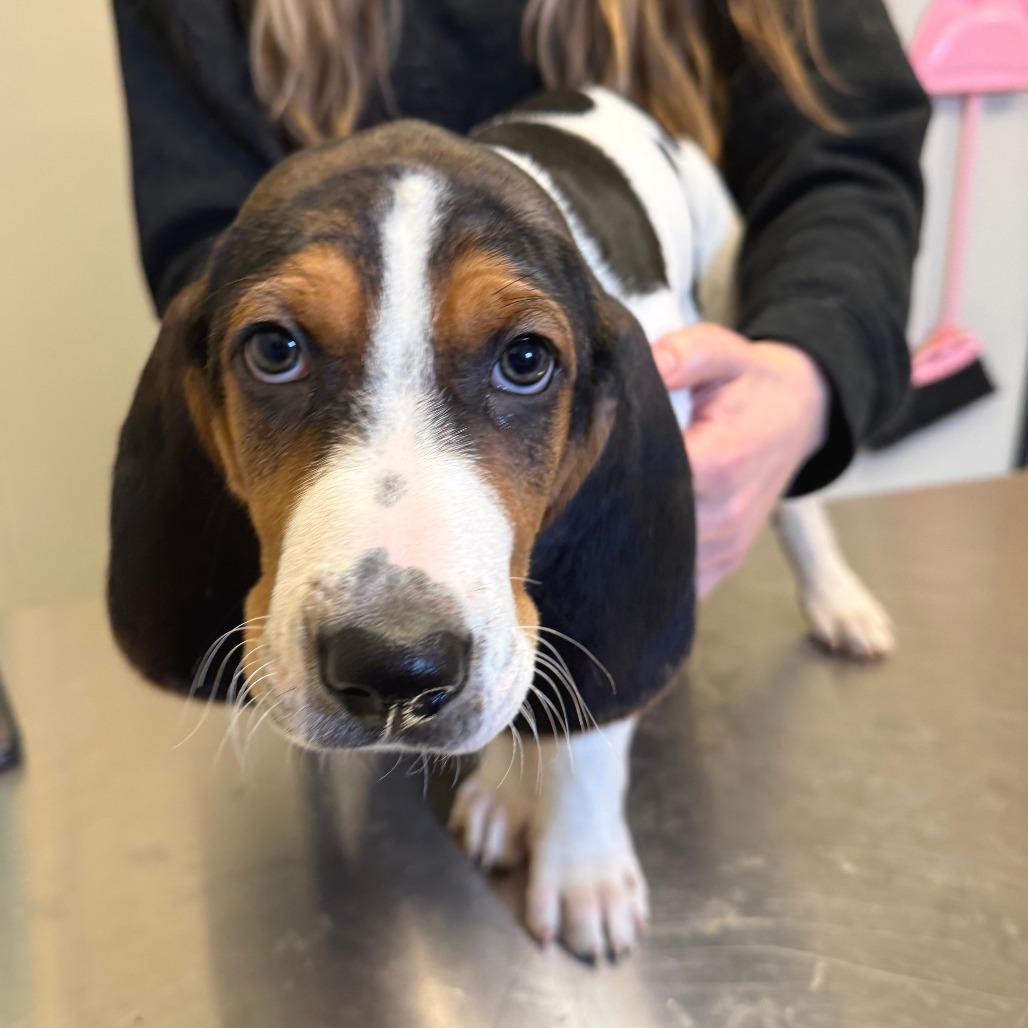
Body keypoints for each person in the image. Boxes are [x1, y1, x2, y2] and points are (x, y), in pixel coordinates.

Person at [112, 0, 929, 596]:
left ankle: (819, 559)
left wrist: (800, 379)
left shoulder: (632, 332)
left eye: (526, 355)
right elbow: (216, 253)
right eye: (279, 347)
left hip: (666, 243)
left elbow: (844, 154)